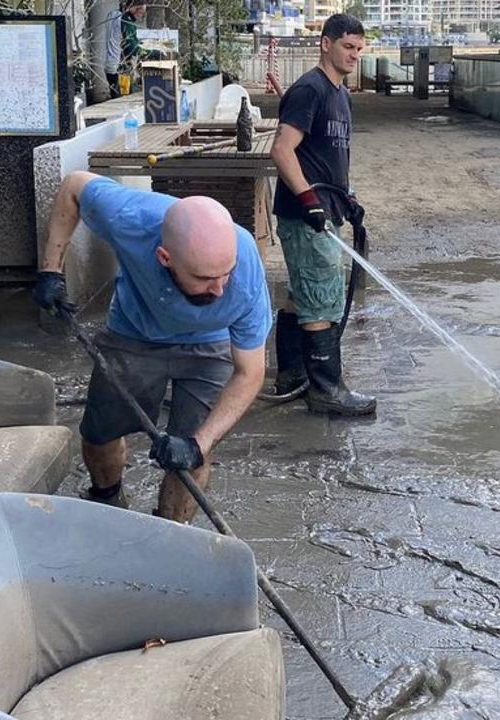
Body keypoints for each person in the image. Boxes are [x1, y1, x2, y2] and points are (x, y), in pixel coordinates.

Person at [33, 171, 272, 523]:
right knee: (100, 435)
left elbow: (250, 372)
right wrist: (50, 272)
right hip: (134, 333)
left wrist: (197, 444)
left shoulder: (246, 273)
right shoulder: (131, 217)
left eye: (226, 273)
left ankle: (172, 533)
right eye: (204, 278)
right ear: (164, 258)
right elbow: (73, 186)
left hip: (210, 343)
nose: (220, 289)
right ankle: (108, 501)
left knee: (192, 456)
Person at [269, 13, 375, 417]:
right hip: (305, 214)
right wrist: (310, 199)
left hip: (326, 208)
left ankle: (293, 376)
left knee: (305, 292)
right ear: (325, 44)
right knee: (322, 298)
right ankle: (327, 390)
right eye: (348, 47)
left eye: (359, 50)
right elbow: (282, 149)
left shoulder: (340, 94)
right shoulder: (310, 90)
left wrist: (345, 197)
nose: (354, 56)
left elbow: (330, 155)